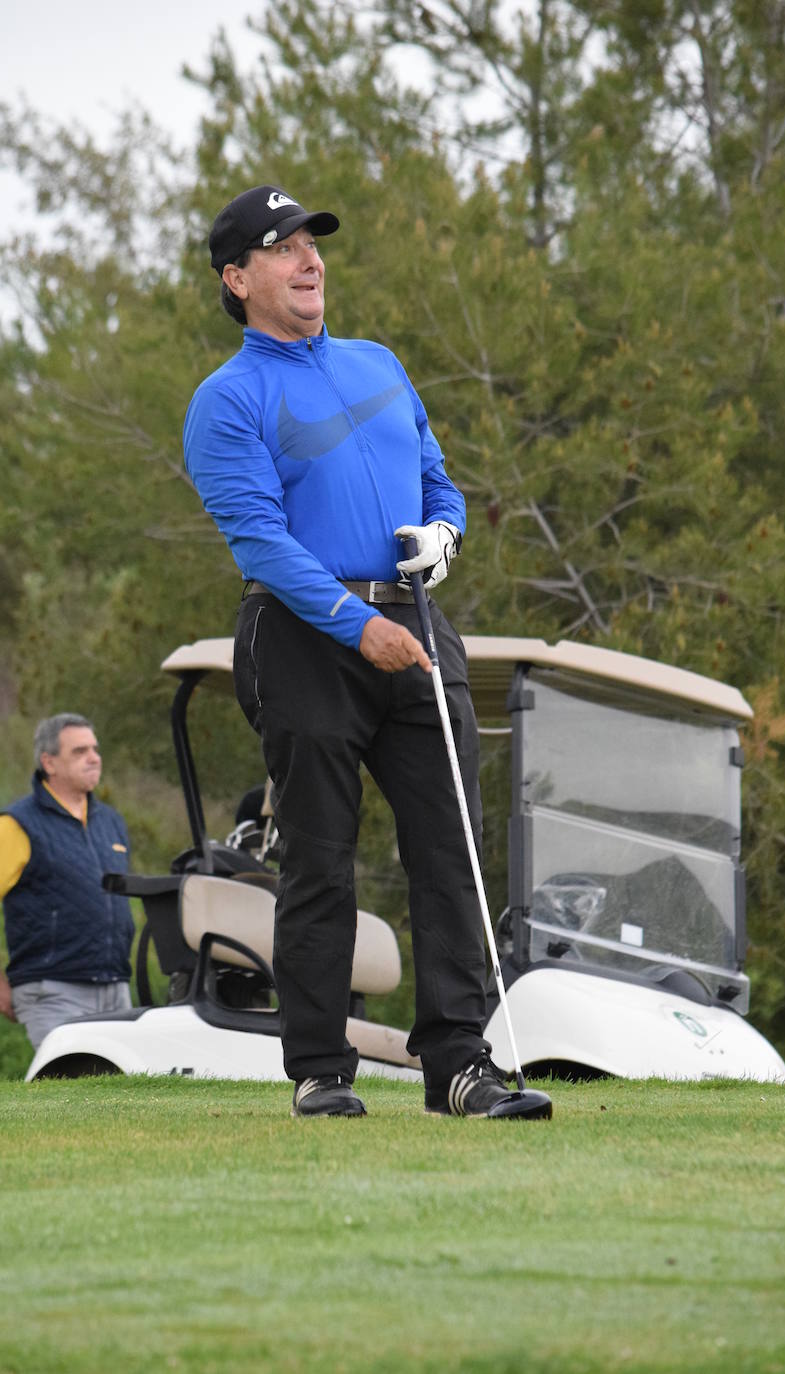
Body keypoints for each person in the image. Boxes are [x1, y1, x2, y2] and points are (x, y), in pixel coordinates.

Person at [183, 185, 510, 1119]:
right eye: (282, 248)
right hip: (301, 634)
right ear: (239, 279)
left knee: (451, 849)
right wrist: (352, 622)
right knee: (321, 858)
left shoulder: (378, 363)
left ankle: (460, 1064)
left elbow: (440, 479)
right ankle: (322, 1070)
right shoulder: (228, 399)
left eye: (311, 244)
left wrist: (447, 537)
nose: (308, 259)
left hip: (412, 619)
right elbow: (260, 541)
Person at [0, 714, 135, 1051]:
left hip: (116, 988)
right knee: (68, 1095)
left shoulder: (110, 822)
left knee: (118, 1100)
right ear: (49, 762)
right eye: (80, 751)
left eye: (94, 749)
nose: (94, 757)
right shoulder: (18, 824)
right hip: (52, 992)